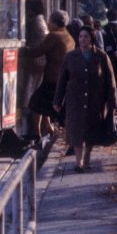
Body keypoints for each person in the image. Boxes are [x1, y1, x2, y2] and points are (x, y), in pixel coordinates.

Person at [53, 25, 117, 173]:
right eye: (81, 37)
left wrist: (112, 102)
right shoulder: (71, 56)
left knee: (90, 131)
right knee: (76, 131)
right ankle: (78, 162)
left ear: (92, 39)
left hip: (95, 100)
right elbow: (62, 80)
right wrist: (58, 100)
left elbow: (110, 80)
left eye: (86, 37)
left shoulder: (101, 56)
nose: (83, 39)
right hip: (75, 100)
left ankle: (87, 158)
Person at [26, 10, 75, 141]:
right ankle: (48, 127)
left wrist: (22, 50)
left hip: (53, 78)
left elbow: (38, 51)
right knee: (48, 104)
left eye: (49, 21)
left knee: (35, 103)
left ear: (54, 22)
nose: (47, 23)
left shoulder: (54, 36)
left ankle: (36, 133)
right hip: (64, 78)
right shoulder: (68, 36)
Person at [20, 0, 49, 140]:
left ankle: (35, 129)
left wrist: (25, 51)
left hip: (35, 63)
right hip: (38, 63)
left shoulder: (35, 23)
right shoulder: (40, 21)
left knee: (31, 95)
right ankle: (43, 127)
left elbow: (35, 46)